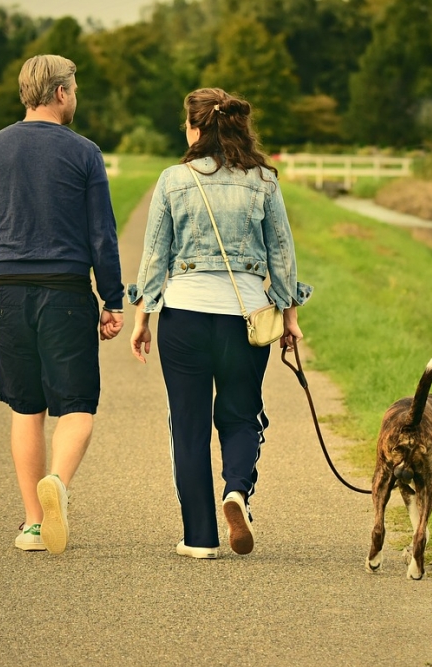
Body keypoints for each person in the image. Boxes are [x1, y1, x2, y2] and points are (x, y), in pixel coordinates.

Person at [127, 88, 313, 558]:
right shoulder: (264, 182)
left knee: (187, 425)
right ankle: (236, 490)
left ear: (195, 128)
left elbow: (155, 256)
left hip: (184, 315)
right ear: (235, 126)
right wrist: (289, 317)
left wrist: (142, 318)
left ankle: (199, 538)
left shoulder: (173, 180)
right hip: (245, 318)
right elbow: (283, 256)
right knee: (240, 415)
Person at [0, 54, 124, 555]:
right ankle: (58, 482)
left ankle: (33, 522)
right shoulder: (85, 153)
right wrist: (111, 300)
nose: (76, 97)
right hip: (66, 293)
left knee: (26, 408)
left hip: (8, 290)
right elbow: (102, 235)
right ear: (58, 94)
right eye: (74, 89)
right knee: (76, 407)